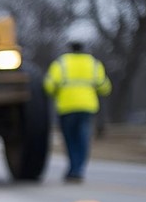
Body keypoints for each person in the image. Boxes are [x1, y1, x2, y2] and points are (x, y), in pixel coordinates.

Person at [44, 42, 112, 182]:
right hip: (87, 107)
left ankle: (72, 168)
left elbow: (49, 86)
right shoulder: (94, 63)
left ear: (70, 49)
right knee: (83, 139)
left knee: (70, 140)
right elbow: (105, 87)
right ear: (84, 48)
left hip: (66, 107)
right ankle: (79, 169)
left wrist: (57, 92)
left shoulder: (61, 63)